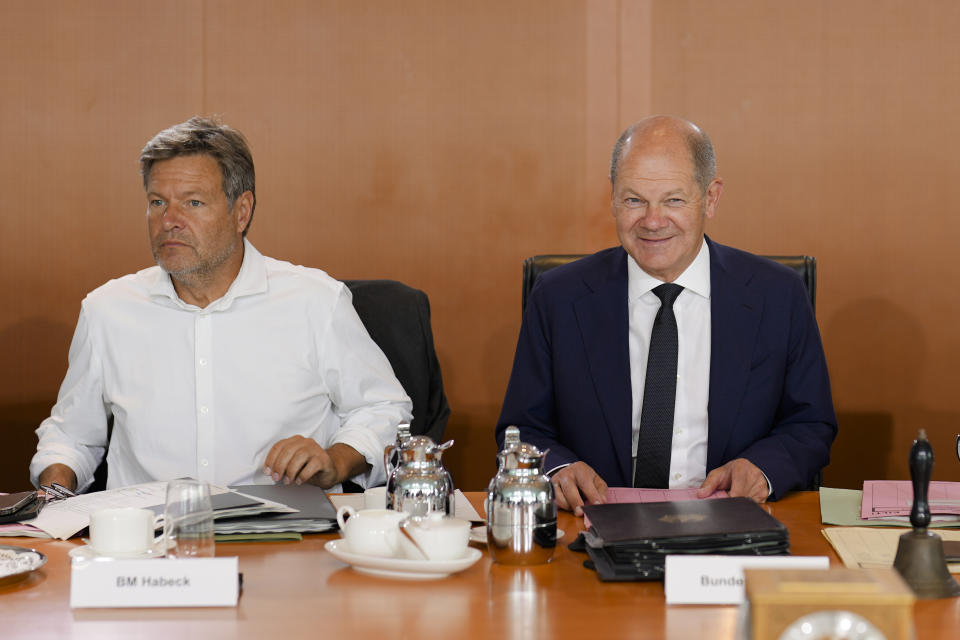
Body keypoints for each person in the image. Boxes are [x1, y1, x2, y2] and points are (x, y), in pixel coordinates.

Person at [30, 116, 412, 492]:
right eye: (157, 202)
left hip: (287, 533)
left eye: (193, 202)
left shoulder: (316, 301)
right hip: (148, 540)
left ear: (241, 211)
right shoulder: (107, 310)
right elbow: (72, 436)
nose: (169, 221)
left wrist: (335, 460)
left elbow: (384, 410)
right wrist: (55, 492)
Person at [496, 115, 837, 515]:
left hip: (732, 521)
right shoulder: (558, 296)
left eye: (673, 200)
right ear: (613, 198)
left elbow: (810, 425)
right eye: (634, 200)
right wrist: (559, 468)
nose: (652, 221)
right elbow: (521, 430)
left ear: (710, 198)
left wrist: (761, 469)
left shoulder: (776, 295)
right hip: (594, 522)